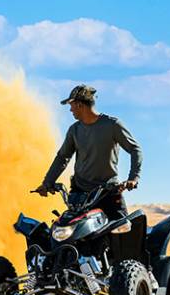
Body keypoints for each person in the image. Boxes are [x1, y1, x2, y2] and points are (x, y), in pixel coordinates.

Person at [33, 85, 142, 220]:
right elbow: (62, 157)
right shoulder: (74, 130)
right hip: (79, 195)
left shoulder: (112, 125)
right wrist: (47, 183)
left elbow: (135, 149)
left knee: (123, 231)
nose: (70, 109)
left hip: (108, 192)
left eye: (71, 105)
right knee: (70, 235)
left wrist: (133, 178)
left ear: (79, 105)